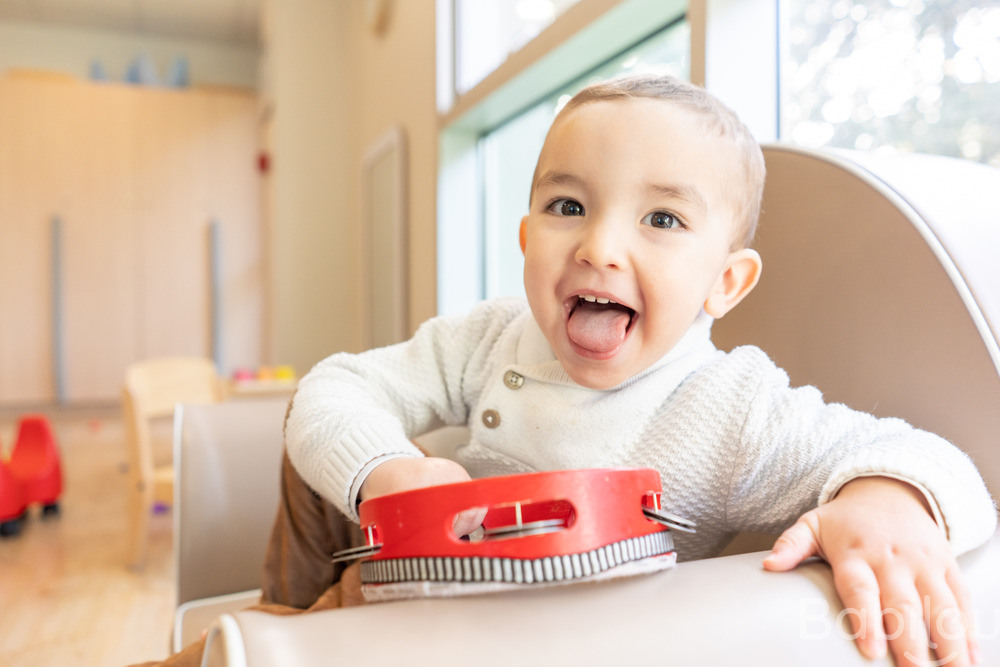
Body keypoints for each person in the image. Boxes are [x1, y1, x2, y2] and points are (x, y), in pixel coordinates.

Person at [139, 73, 996, 667]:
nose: (599, 245)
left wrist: (886, 500)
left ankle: (283, 631)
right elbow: (334, 386)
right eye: (568, 205)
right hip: (395, 568)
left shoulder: (732, 404)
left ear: (726, 283)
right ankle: (282, 610)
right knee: (316, 443)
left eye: (662, 219)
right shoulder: (492, 336)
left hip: (468, 635)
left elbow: (933, 459)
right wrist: (384, 471)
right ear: (526, 239)